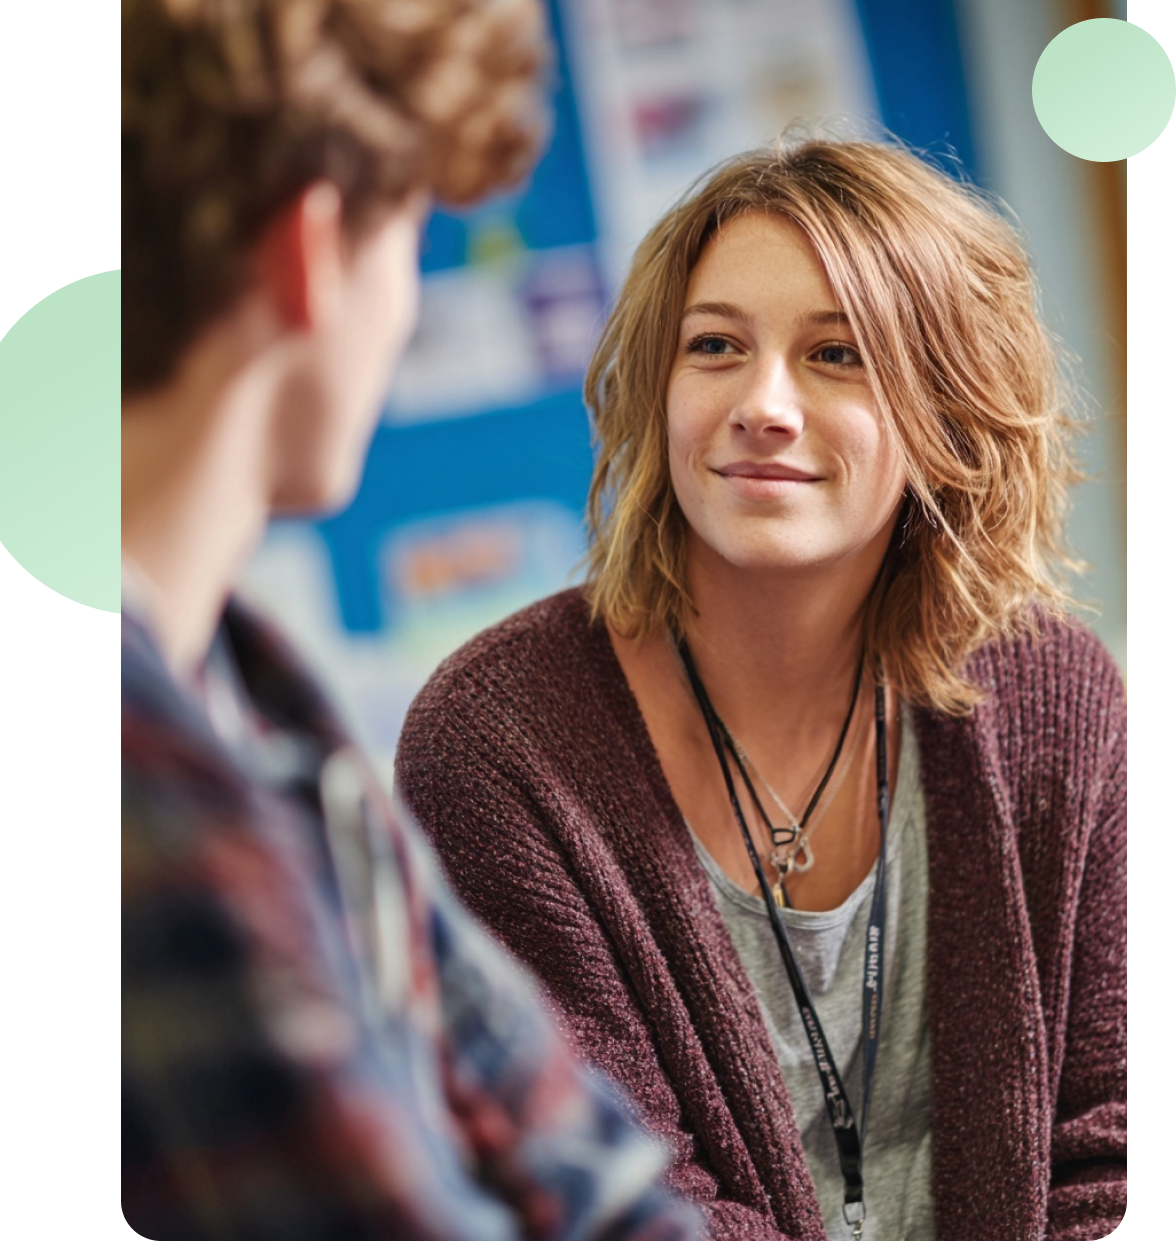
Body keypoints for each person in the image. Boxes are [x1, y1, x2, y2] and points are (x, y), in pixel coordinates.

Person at [397, 139, 1126, 1241]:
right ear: (661, 387)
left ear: (950, 408)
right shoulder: (494, 739)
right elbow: (609, 1195)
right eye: (716, 346)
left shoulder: (1059, 698)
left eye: (837, 352)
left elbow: (1112, 1146)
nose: (764, 404)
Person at [121, 0, 700, 1241]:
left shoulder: (254, 695)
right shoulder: (122, 765)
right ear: (313, 251)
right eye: (412, 245)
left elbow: (592, 1171)